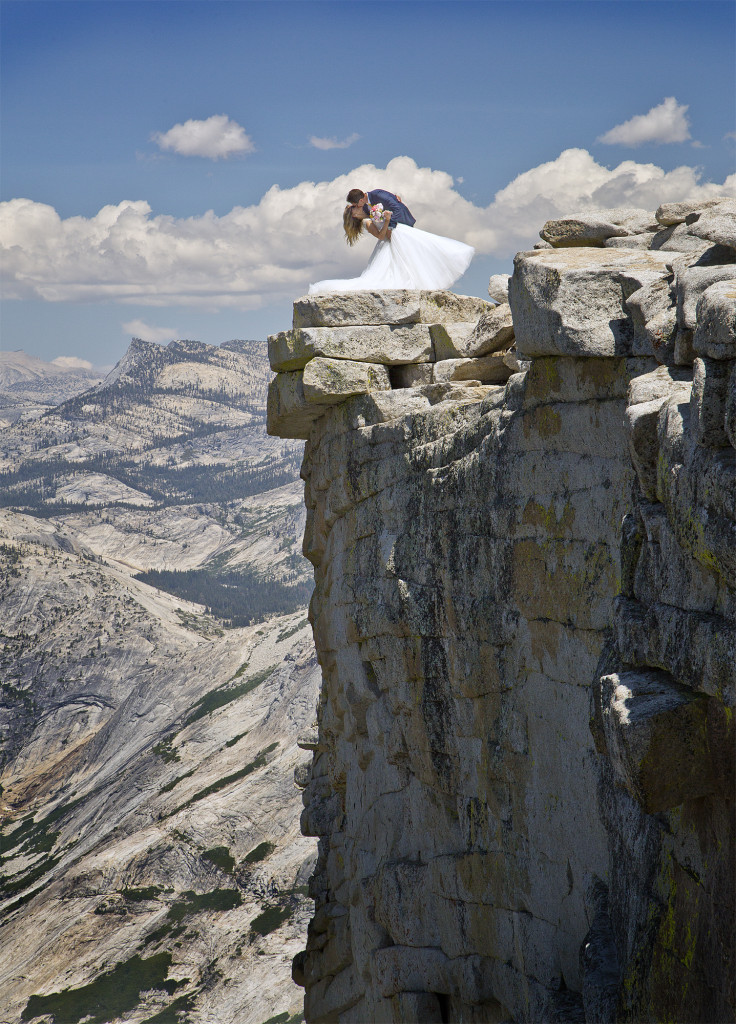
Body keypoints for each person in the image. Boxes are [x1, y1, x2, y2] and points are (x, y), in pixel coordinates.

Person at [308, 187, 474, 294]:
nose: (356, 209)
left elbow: (392, 205)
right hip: (391, 236)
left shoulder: (369, 208)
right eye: (353, 210)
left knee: (424, 251)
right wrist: (387, 221)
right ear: (353, 216)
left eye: (355, 207)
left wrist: (390, 213)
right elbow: (381, 234)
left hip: (397, 233)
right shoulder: (366, 222)